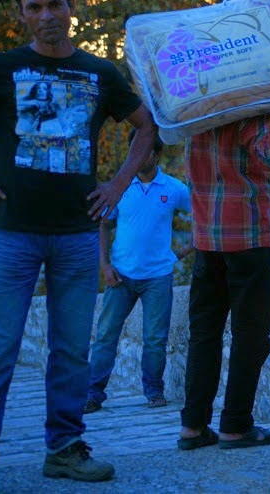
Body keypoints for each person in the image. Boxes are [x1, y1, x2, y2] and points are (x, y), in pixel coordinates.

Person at [0, 0, 156, 493]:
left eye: (54, 4)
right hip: (14, 233)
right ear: (23, 13)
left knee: (71, 349)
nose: (46, 15)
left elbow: (147, 127)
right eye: (33, 7)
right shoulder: (0, 67)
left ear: (71, 6)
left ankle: (64, 448)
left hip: (79, 236)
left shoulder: (100, 73)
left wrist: (117, 185)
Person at [176, 68, 270, 452]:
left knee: (204, 335)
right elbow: (269, 154)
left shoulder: (193, 108)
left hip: (207, 239)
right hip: (248, 237)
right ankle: (236, 426)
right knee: (250, 336)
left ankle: (193, 427)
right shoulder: (245, 107)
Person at [84, 130, 192, 414]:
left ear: (156, 155)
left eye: (141, 150)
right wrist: (105, 266)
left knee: (156, 338)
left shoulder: (174, 189)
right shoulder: (120, 188)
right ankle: (93, 394)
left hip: (158, 276)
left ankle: (154, 391)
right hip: (120, 276)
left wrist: (181, 253)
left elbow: (203, 215)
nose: (135, 156)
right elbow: (104, 225)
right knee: (107, 334)